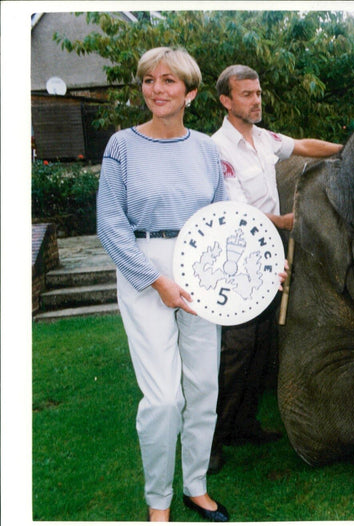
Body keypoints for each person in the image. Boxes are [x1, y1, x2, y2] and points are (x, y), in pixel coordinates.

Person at [96, 47, 230, 522]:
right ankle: (159, 500)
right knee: (164, 398)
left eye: (169, 81)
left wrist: (258, 267)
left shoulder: (206, 150)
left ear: (190, 93)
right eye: (149, 80)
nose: (157, 89)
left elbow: (225, 221)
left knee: (202, 388)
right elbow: (109, 222)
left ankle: (195, 485)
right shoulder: (122, 146)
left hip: (201, 266)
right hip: (144, 266)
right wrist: (156, 280)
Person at [208, 64, 343, 473]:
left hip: (267, 256)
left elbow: (303, 145)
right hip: (236, 257)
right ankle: (211, 439)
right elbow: (233, 210)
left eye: (258, 92)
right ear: (226, 101)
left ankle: (244, 423)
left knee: (263, 345)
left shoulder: (264, 139)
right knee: (237, 350)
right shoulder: (217, 149)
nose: (256, 100)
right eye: (246, 94)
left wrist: (348, 150)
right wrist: (282, 222)